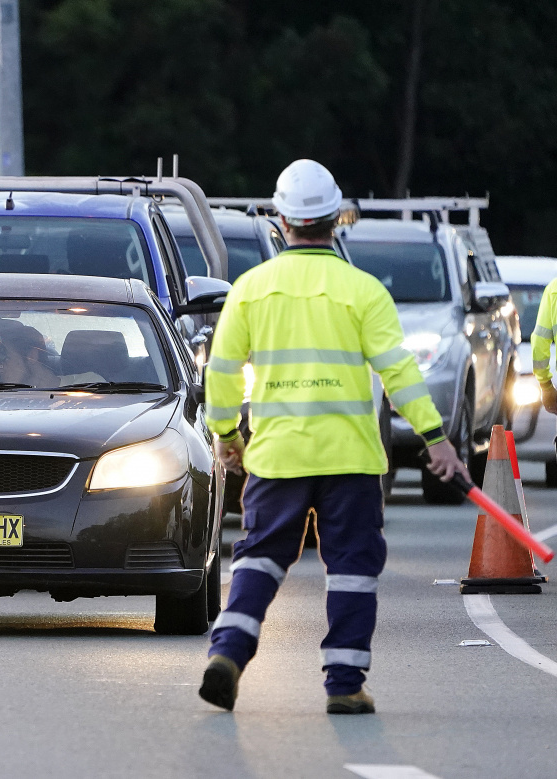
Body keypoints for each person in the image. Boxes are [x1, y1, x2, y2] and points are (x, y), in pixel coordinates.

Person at [201, 159, 467, 715]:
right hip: (350, 456)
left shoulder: (251, 288)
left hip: (278, 454)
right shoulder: (362, 290)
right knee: (351, 567)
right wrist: (436, 438)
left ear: (281, 219)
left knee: (260, 558)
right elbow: (401, 374)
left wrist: (225, 434)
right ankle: (345, 684)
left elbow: (221, 373)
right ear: (336, 219)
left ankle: (228, 651)